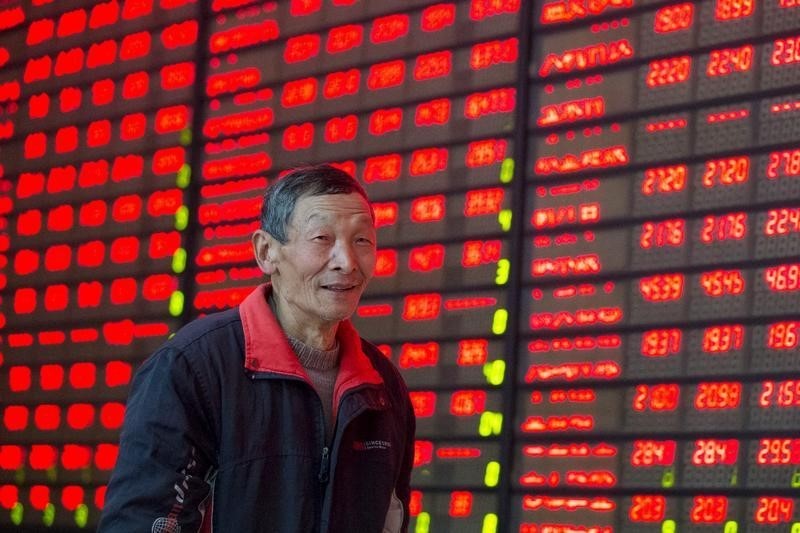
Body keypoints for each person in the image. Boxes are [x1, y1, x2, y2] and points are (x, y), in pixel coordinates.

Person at [98, 164, 416, 532]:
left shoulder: (382, 387)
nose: (347, 261)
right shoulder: (194, 369)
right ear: (266, 252)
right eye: (322, 239)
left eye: (362, 240)